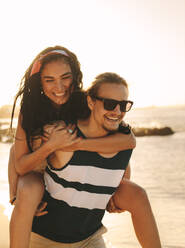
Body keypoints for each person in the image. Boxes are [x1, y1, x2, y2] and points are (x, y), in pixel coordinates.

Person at [8, 46, 137, 248]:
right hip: (38, 168)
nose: (59, 87)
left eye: (65, 78)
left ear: (75, 76)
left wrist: (117, 186)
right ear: (40, 81)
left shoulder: (87, 103)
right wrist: (15, 195)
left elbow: (126, 141)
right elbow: (19, 162)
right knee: (29, 188)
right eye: (49, 80)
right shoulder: (30, 109)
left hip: (67, 172)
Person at [30, 73, 161, 247]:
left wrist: (113, 197)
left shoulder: (124, 142)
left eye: (123, 105)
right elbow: (22, 155)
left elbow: (121, 174)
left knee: (138, 194)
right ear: (91, 102)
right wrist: (22, 196)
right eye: (109, 104)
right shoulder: (62, 134)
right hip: (46, 240)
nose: (117, 112)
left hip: (90, 238)